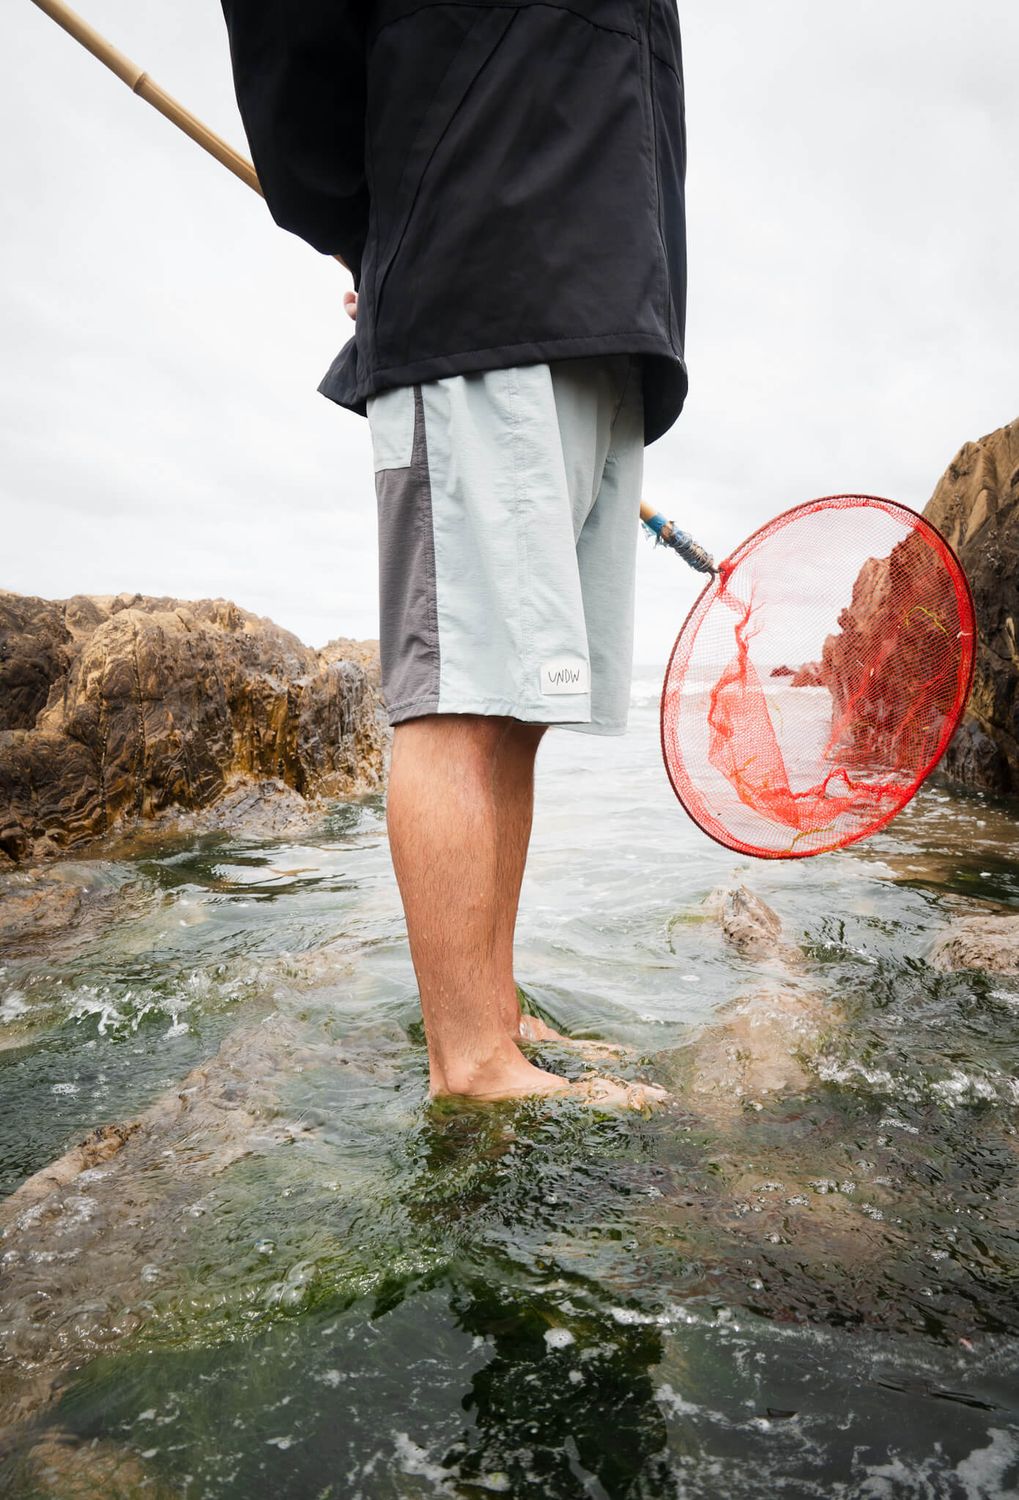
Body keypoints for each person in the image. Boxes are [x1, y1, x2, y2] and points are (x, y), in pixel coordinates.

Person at [220, 1, 688, 1103]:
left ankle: (496, 1016)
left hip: (607, 307)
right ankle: (470, 1060)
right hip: (478, 282)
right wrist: (383, 226)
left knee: (519, 706)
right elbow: (291, 37)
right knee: (459, 697)